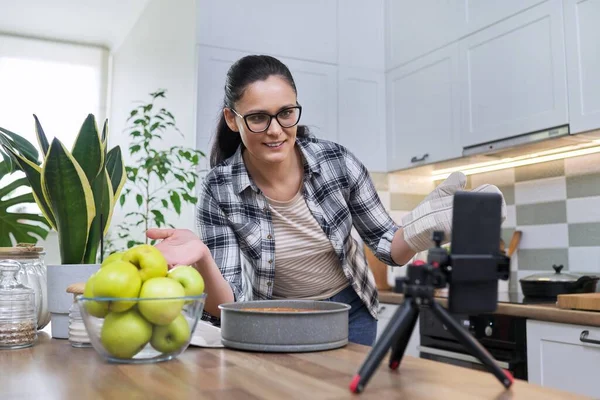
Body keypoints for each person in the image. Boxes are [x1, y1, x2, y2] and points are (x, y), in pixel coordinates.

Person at [146, 55, 506, 346]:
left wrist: (422, 226)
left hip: (349, 312)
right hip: (274, 318)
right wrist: (202, 258)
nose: (275, 130)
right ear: (232, 119)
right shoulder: (218, 189)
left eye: (286, 113)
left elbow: (386, 247)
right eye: (257, 117)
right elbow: (227, 307)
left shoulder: (338, 163)